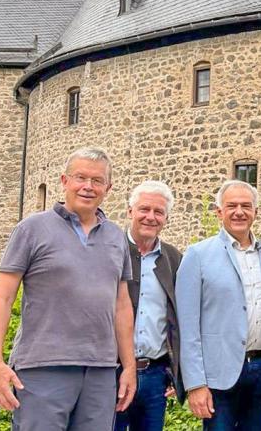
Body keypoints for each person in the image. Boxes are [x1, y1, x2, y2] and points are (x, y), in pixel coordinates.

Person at [0, 147, 136, 430]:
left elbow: (122, 306)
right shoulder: (31, 229)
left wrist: (128, 366)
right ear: (64, 181)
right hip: (42, 368)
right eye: (80, 177)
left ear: (109, 188)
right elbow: (2, 298)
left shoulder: (117, 237)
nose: (88, 187)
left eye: (97, 180)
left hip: (100, 371)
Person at [176, 180, 261, 431]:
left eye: (246, 206)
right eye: (232, 205)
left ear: (256, 212)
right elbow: (187, 325)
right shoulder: (198, 255)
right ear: (219, 212)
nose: (239, 212)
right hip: (217, 376)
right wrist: (195, 384)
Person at [116, 180, 184, 431]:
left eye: (159, 212)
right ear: (130, 211)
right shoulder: (110, 249)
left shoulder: (174, 259)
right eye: (144, 209)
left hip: (155, 376)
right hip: (111, 373)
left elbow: (179, 319)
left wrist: (175, 372)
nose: (150, 217)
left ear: (166, 218)